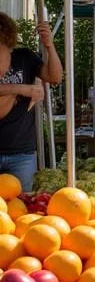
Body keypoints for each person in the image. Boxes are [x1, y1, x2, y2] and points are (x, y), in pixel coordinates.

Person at [0, 12, 62, 191]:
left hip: (22, 153)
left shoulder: (24, 57)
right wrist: (20, 89)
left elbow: (55, 76)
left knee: (22, 208)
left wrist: (50, 46)